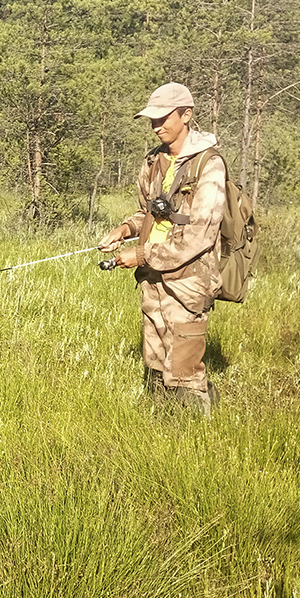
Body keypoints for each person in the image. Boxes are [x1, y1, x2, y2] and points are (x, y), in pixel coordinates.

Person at [98, 82, 225, 414]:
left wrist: (139, 254)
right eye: (151, 121)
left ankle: (195, 435)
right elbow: (147, 214)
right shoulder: (153, 161)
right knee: (155, 359)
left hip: (188, 281)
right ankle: (160, 424)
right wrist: (125, 229)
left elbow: (200, 235)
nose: (156, 127)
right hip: (152, 279)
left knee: (183, 366)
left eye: (163, 118)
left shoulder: (208, 164)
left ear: (186, 114)